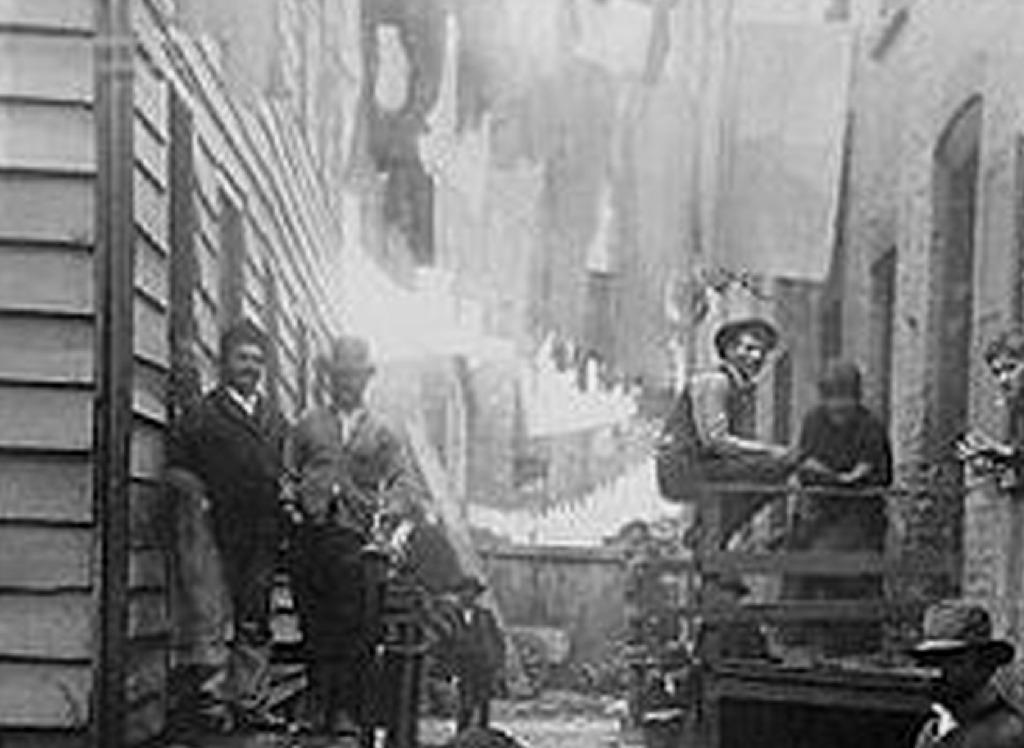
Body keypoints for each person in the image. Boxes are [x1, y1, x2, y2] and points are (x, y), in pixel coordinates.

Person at [287, 335, 425, 737]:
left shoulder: (382, 431)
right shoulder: (307, 424)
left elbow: (404, 481)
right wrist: (292, 504)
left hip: (354, 540)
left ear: (366, 380)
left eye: (354, 376)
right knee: (314, 622)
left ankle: (347, 710)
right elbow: (287, 472)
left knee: (353, 626)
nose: (347, 383)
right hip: (310, 534)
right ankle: (317, 704)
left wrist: (389, 513)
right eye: (340, 375)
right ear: (330, 378)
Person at [165, 320, 289, 732]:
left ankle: (250, 702)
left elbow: (284, 470)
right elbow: (178, 467)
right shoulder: (203, 414)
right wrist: (196, 497)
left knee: (255, 617)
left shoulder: (274, 419)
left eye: (257, 360)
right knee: (211, 616)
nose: (250, 367)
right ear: (225, 362)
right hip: (215, 531)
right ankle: (211, 703)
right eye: (242, 358)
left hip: (262, 532)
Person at [657, 317, 794, 548]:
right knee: (777, 467)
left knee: (768, 473)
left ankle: (709, 532)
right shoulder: (716, 382)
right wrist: (770, 452)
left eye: (762, 352)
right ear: (729, 350)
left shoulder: (738, 388)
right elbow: (715, 441)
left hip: (700, 465)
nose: (756, 357)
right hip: (683, 467)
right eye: (749, 349)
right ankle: (710, 534)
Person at [787, 360, 893, 655]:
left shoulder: (870, 425)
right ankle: (807, 639)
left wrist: (856, 476)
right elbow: (805, 461)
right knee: (804, 564)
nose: (838, 408)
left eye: (845, 399)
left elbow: (878, 470)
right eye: (832, 399)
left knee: (848, 570)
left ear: (856, 398)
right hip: (820, 508)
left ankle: (858, 645)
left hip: (859, 511)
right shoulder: (814, 421)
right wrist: (826, 475)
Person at [911, 601, 1024, 748]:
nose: (937, 673)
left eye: (954, 662)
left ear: (985, 667)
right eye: (930, 662)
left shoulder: (1009, 735)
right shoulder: (932, 731)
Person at [958, 328, 1024, 496]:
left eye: (1011, 368)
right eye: (997, 372)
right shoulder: (1014, 407)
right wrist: (991, 463)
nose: (1003, 379)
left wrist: (1001, 452)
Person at [448, 576, 505, 732]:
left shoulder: (485, 616)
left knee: (483, 703)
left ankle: (482, 735)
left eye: (472, 592)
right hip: (461, 667)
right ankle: (462, 734)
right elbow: (445, 643)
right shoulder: (450, 616)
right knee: (464, 704)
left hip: (482, 666)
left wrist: (496, 664)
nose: (468, 595)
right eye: (464, 592)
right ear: (458, 594)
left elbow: (497, 640)